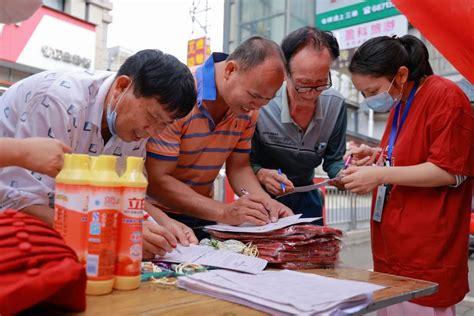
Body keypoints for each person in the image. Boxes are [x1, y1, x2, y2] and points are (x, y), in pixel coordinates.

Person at [0, 49, 199, 258]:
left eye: (163, 125)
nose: (150, 132)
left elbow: (121, 191)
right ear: (122, 87)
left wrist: (163, 223)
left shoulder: (135, 127)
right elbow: (21, 205)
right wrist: (115, 235)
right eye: (151, 116)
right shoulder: (58, 100)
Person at [341, 35, 473, 315]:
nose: (368, 99)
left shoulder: (445, 96)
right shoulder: (401, 101)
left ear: (400, 74)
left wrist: (379, 175)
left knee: (420, 304)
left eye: (371, 90)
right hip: (395, 243)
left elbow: (448, 170)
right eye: (363, 93)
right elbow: (410, 152)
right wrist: (376, 153)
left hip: (427, 243)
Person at [146, 36, 293, 238]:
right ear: (230, 70)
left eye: (267, 99)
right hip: (156, 216)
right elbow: (158, 179)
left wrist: (265, 203)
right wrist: (223, 212)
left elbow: (239, 167)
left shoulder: (247, 110)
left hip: (203, 212)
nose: (259, 106)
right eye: (256, 95)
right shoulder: (180, 93)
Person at [250, 27, 347, 222]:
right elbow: (241, 160)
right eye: (303, 84)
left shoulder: (335, 105)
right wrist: (260, 173)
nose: (312, 93)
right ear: (285, 72)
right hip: (262, 196)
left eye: (320, 83)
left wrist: (345, 176)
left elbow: (334, 160)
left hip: (306, 196)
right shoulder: (263, 102)